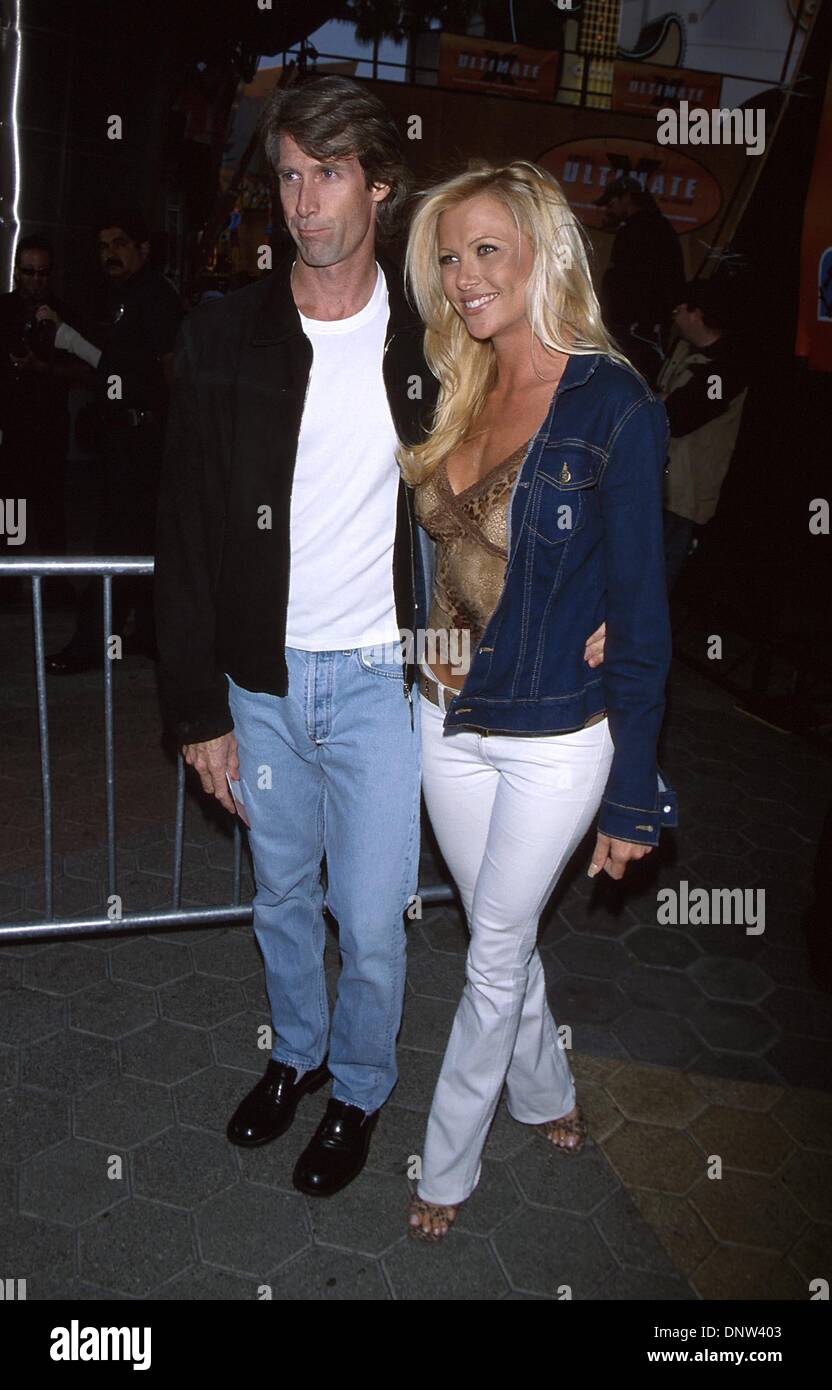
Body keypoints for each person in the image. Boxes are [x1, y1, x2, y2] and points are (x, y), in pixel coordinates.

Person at [153, 75, 610, 1198]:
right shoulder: (226, 331)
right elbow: (184, 530)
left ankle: (357, 1088)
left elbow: (553, 426)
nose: (305, 202)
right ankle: (294, 1059)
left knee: (369, 917)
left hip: (377, 683)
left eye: (330, 174)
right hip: (259, 683)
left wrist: (602, 592)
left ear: (379, 183)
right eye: (289, 178)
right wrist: (196, 712)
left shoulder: (436, 340)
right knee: (276, 898)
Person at [401, 160, 677, 1241]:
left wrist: (635, 795)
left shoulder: (612, 403)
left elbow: (643, 615)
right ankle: (551, 1092)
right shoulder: (454, 375)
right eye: (451, 256)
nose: (464, 278)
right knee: (499, 935)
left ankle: (447, 1161)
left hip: (555, 727)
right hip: (441, 714)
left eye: (486, 252)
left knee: (493, 951)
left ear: (541, 254)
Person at [45, 209, 183, 672]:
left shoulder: (154, 298)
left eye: (120, 244)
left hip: (145, 438)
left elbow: (168, 368)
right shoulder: (123, 298)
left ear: (143, 249)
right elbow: (117, 365)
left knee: (118, 540)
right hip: (126, 435)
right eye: (104, 247)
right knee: (141, 538)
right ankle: (149, 633)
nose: (110, 254)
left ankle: (91, 642)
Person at [0, 236, 88, 590]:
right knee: (12, 508)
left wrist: (43, 368)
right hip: (12, 427)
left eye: (42, 273)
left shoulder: (62, 313)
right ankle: (9, 581)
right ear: (18, 273)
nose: (36, 280)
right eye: (29, 272)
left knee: (49, 509)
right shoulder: (5, 311)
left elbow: (86, 369)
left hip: (48, 426)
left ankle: (54, 585)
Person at [657, 278, 751, 591]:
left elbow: (678, 416)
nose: (675, 315)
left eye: (680, 309)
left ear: (696, 314)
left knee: (658, 579)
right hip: (663, 485)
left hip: (686, 495)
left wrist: (662, 403)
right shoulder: (685, 353)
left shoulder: (727, 368)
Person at [596, 175, 686, 386]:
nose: (608, 211)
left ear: (627, 198)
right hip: (638, 329)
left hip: (636, 332)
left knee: (628, 384)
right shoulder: (656, 228)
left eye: (612, 204)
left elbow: (632, 283)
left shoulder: (641, 230)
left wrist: (628, 322)